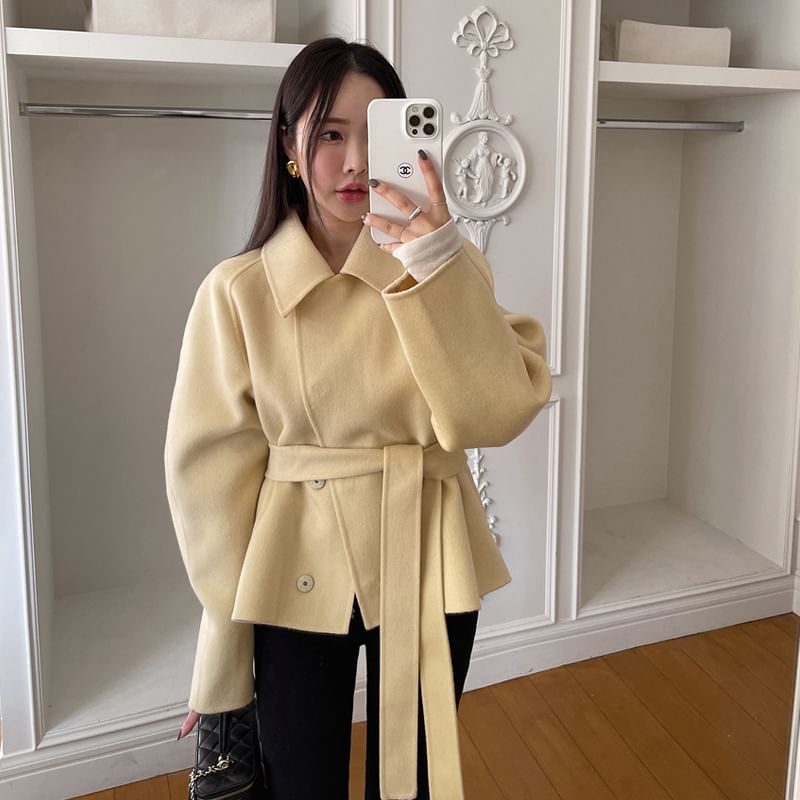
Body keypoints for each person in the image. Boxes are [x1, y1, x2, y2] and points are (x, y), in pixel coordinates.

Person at [164, 36, 552, 800]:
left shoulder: (446, 265)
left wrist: (435, 261)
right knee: (299, 783)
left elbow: (497, 412)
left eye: (377, 133)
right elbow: (210, 487)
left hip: (428, 543)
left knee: (413, 784)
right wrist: (220, 650)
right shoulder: (237, 293)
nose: (355, 162)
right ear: (288, 146)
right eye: (330, 134)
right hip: (295, 560)